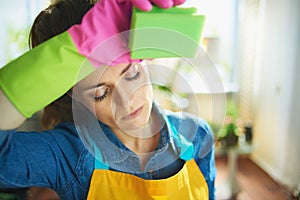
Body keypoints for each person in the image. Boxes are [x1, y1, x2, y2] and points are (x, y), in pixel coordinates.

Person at [0, 0, 216, 199]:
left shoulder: (197, 135)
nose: (127, 101)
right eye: (100, 94)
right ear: (74, 97)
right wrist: (75, 49)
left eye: (132, 74)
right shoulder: (70, 155)